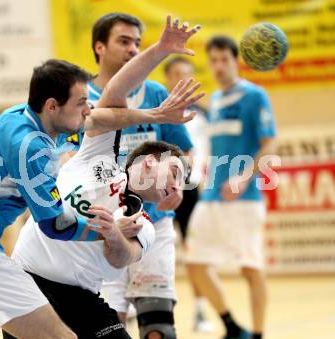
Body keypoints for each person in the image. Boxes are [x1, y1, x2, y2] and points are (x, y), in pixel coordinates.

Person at [0, 38, 197, 338]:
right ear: (52, 105)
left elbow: (102, 115)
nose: (88, 111)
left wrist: (155, 115)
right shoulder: (33, 149)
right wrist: (107, 230)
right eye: (81, 103)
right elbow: (55, 224)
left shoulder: (23, 117)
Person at [3, 15, 203, 339]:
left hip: (80, 293)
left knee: (157, 326)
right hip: (28, 280)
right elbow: (113, 95)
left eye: (137, 43)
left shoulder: (144, 222)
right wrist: (162, 49)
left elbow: (125, 255)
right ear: (151, 162)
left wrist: (113, 235)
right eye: (176, 172)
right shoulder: (100, 153)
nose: (178, 183)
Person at [88, 13, 197, 339]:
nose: (133, 49)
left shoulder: (156, 93)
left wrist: (180, 181)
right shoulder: (82, 101)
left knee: (158, 328)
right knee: (108, 328)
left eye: (137, 42)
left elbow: (185, 153)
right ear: (99, 47)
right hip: (104, 228)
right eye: (123, 41)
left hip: (154, 224)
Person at [185, 36, 277, 339]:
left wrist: (243, 177)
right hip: (211, 196)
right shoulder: (214, 101)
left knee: (250, 268)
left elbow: (269, 143)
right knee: (195, 263)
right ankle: (234, 327)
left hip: (245, 199)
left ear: (235, 61)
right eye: (213, 60)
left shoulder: (255, 96)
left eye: (225, 59)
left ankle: (259, 333)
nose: (219, 66)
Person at [163, 56, 214, 333]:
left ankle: (201, 311)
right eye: (177, 74)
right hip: (157, 189)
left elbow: (206, 152)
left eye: (188, 74)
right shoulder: (156, 110)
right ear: (168, 78)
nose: (182, 78)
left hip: (191, 189)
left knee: (195, 252)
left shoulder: (203, 115)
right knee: (149, 247)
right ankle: (139, 305)